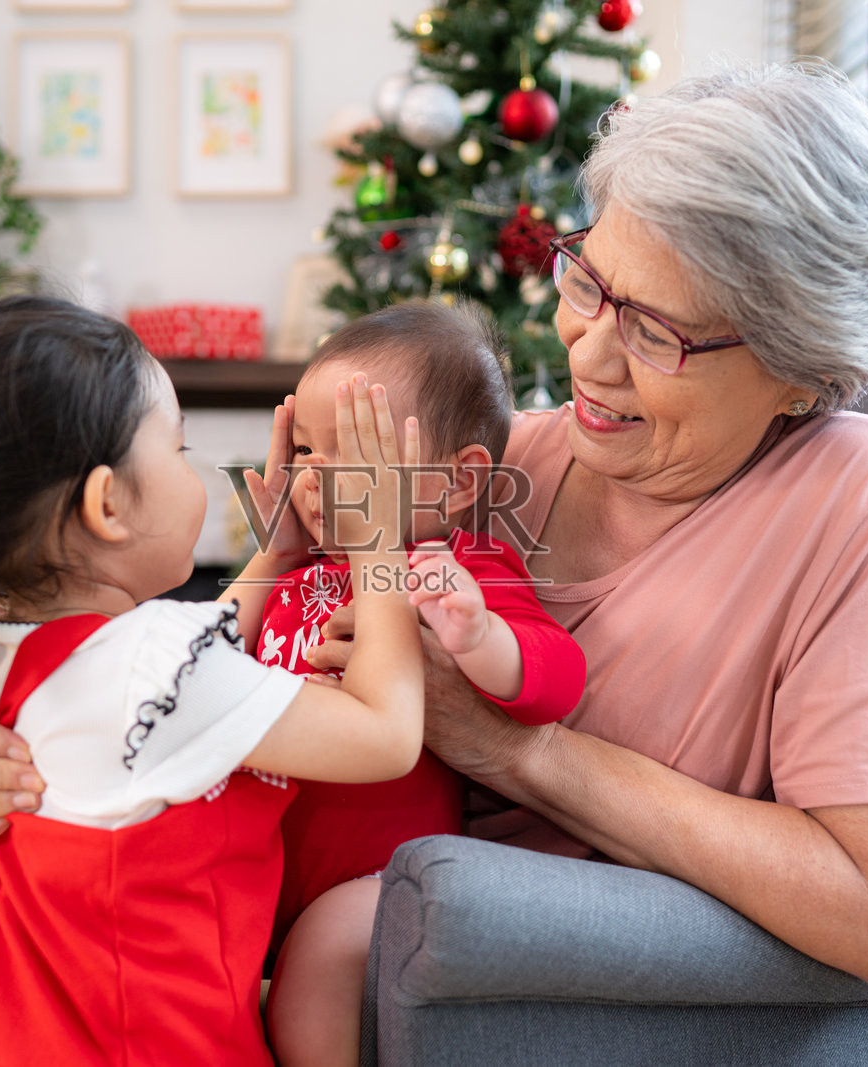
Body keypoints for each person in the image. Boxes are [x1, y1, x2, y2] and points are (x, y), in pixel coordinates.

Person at [0, 60, 868, 1067]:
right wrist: (0, 737)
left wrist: (519, 750)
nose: (586, 353)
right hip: (273, 890)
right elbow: (181, 643)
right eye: (587, 282)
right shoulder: (493, 463)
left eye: (656, 334)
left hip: (501, 970)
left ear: (802, 371)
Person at [0, 296, 429, 1066]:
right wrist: (380, 542)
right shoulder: (152, 674)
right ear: (108, 503)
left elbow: (186, 658)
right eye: (179, 450)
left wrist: (274, 553)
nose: (195, 472)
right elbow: (385, 733)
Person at [218, 301, 586, 1057]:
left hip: (371, 882)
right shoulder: (297, 571)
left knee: (316, 964)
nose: (315, 476)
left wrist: (480, 637)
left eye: (352, 454)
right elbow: (193, 658)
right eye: (308, 451)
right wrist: (272, 554)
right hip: (252, 859)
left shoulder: (455, 573)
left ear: (455, 486)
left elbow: (557, 678)